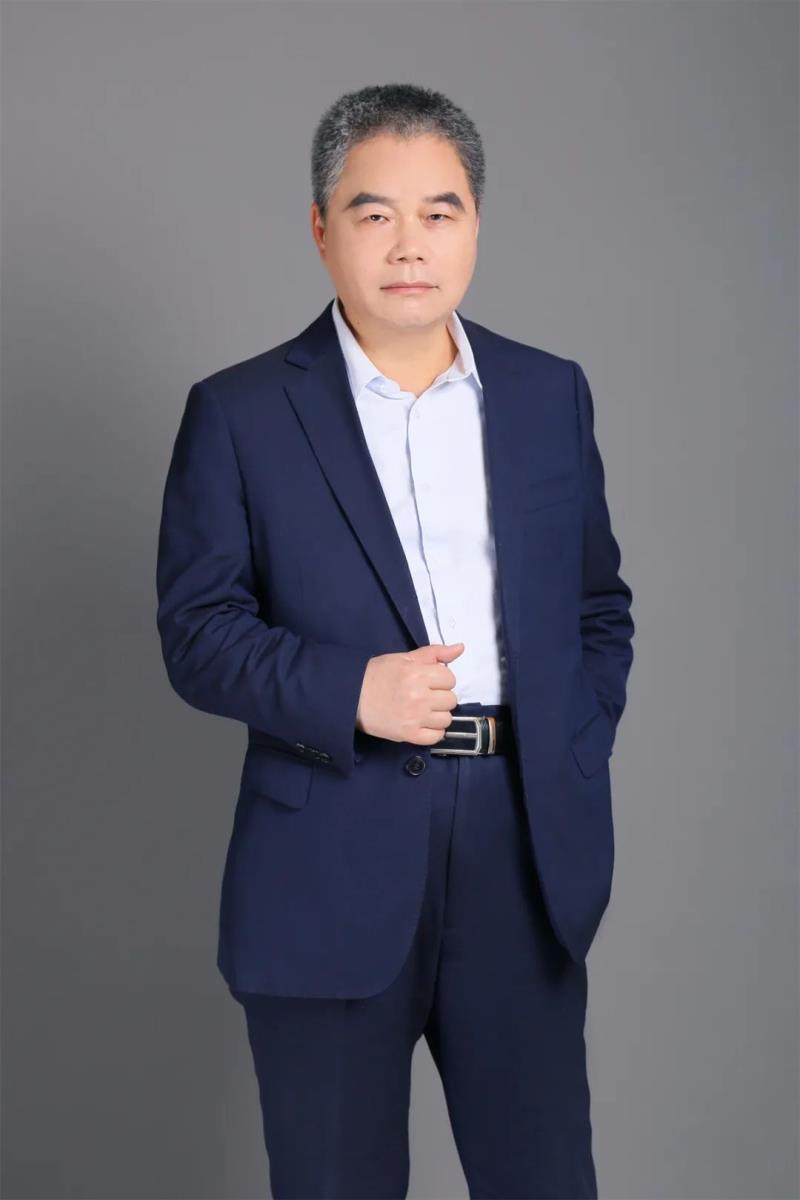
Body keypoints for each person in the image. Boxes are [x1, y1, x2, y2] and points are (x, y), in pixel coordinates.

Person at [156, 81, 635, 1200]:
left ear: (476, 225)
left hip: (521, 848)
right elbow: (196, 631)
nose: (409, 245)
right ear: (321, 228)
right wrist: (350, 693)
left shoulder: (547, 394)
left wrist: (569, 745)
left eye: (439, 212)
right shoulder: (239, 412)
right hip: (326, 851)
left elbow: (597, 606)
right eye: (374, 213)